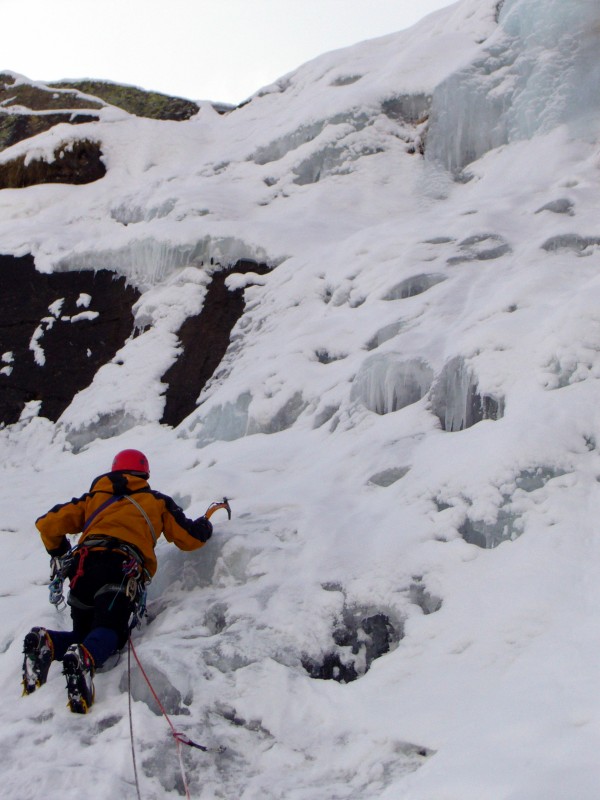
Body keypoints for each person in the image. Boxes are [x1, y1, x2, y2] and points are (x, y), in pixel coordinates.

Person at [22, 448, 215, 713]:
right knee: (112, 631)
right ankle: (84, 660)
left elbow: (47, 524)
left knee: (84, 634)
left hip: (83, 567)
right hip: (121, 568)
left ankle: (47, 643)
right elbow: (189, 538)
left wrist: (60, 553)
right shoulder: (157, 502)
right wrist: (205, 525)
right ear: (144, 474)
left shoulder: (92, 499)